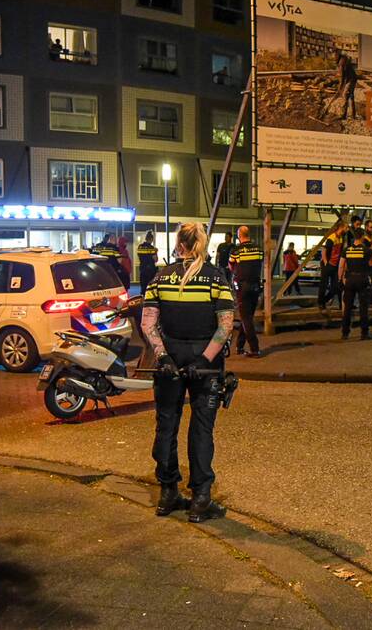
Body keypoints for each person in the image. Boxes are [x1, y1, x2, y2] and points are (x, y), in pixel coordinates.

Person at [141, 222, 234, 522]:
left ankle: (168, 492)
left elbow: (148, 323)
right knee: (201, 428)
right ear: (202, 244)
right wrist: (204, 360)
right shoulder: (216, 278)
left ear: (179, 245)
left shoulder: (160, 277)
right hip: (203, 365)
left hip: (170, 360)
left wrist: (163, 356)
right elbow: (225, 325)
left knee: (166, 424)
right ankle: (201, 498)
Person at [229, 226, 264, 357]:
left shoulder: (236, 250)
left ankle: (255, 349)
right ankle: (239, 346)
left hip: (242, 286)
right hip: (255, 285)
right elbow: (260, 262)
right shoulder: (259, 249)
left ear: (239, 235)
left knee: (246, 318)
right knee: (248, 317)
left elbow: (231, 265)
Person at [338, 228, 372, 341]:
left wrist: (341, 278)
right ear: (362, 236)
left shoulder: (346, 250)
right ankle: (364, 333)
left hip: (350, 279)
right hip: (362, 279)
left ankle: (345, 333)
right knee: (363, 308)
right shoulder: (366, 250)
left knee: (347, 308)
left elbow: (341, 265)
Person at [317, 221, 347, 314]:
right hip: (328, 265)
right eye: (346, 228)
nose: (347, 230)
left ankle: (323, 300)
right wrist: (326, 262)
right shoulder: (332, 237)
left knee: (336, 287)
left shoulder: (341, 238)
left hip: (335, 265)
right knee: (324, 284)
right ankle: (321, 304)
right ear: (341, 227)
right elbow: (324, 250)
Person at [335, 50, 358, 120]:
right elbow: (344, 76)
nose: (334, 57)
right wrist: (341, 86)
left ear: (337, 56)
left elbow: (342, 77)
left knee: (345, 95)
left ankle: (343, 115)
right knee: (351, 96)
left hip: (351, 79)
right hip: (352, 78)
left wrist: (340, 88)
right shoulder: (344, 59)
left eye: (335, 56)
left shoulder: (341, 63)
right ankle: (353, 115)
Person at [137, 230, 159, 295]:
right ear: (151, 239)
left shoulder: (140, 247)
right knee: (150, 286)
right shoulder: (152, 248)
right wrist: (156, 252)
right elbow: (155, 260)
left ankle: (142, 298)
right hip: (150, 270)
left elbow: (139, 256)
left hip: (142, 269)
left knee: (143, 286)